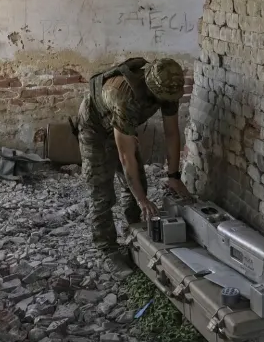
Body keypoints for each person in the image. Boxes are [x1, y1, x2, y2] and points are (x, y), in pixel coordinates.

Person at [78, 57, 192, 273]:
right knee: (102, 193)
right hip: (95, 130)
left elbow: (171, 133)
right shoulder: (124, 96)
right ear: (152, 88)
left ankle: (134, 234)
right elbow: (125, 157)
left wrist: (174, 176)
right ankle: (107, 250)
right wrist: (142, 200)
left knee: (138, 184)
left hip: (123, 126)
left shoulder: (168, 86)